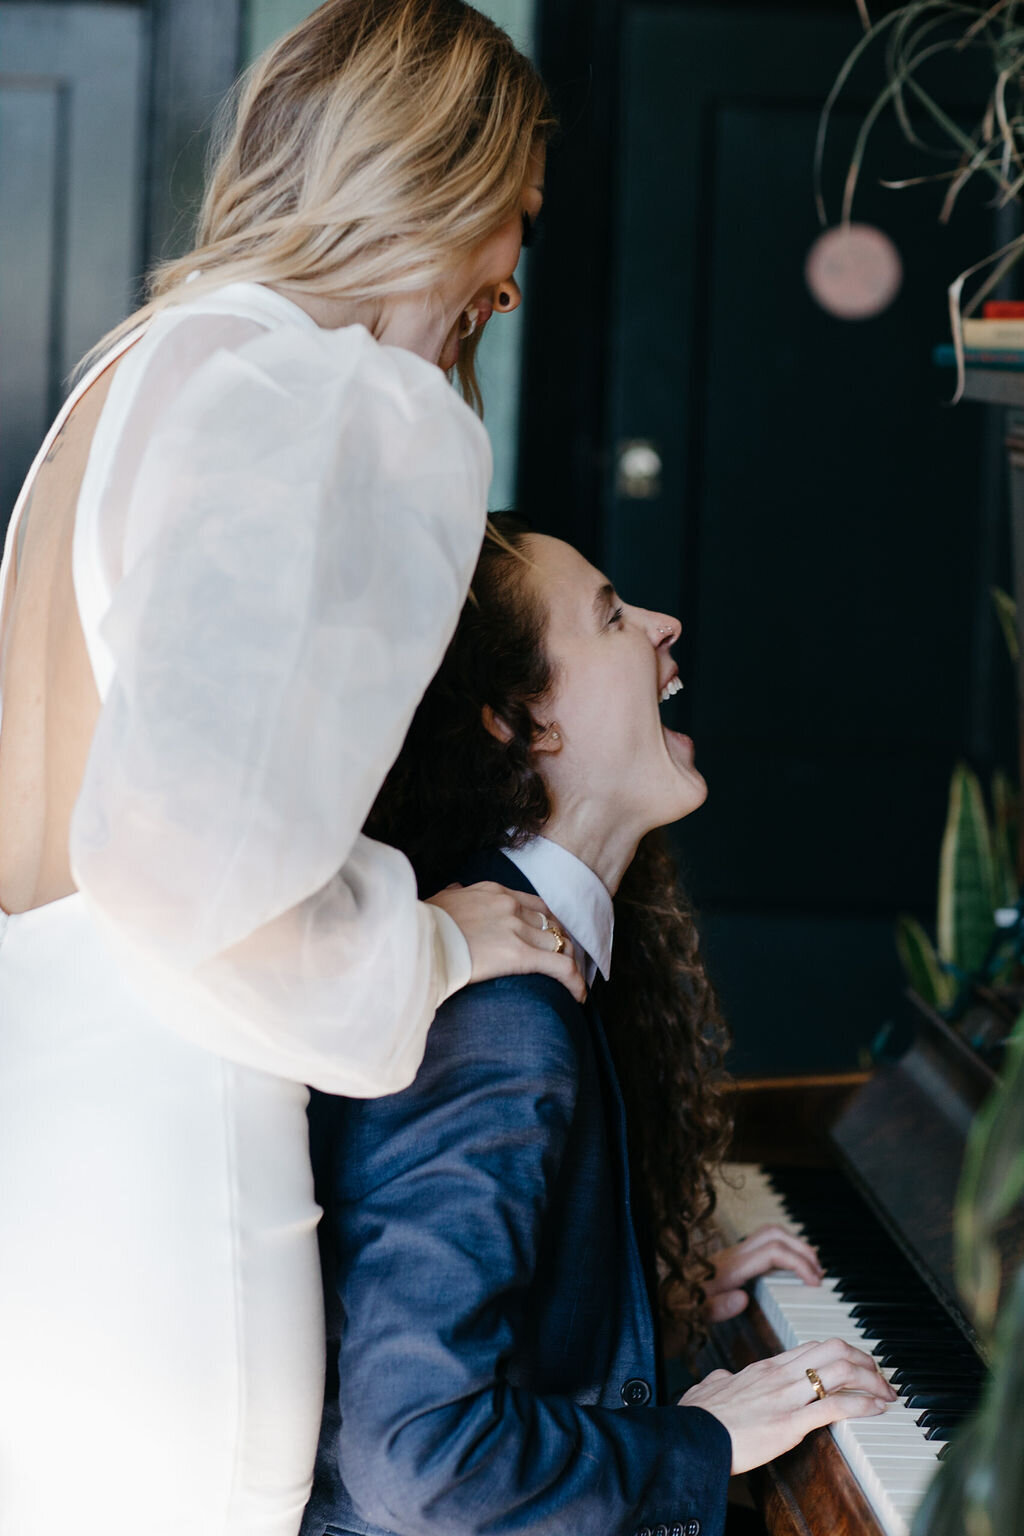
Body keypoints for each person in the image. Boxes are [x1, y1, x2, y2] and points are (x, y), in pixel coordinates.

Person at [0, 7, 582, 1534]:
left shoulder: (140, 372)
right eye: (513, 212)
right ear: (434, 181)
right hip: (169, 1205)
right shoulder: (305, 393)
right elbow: (175, 864)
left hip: (41, 1161)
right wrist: (443, 941)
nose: (509, 277)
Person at [301, 519, 897, 1536]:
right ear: (522, 723)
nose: (665, 626)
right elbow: (419, 1464)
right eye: (613, 617)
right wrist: (701, 1441)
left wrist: (628, 1298)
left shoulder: (519, 947)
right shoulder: (495, 1022)